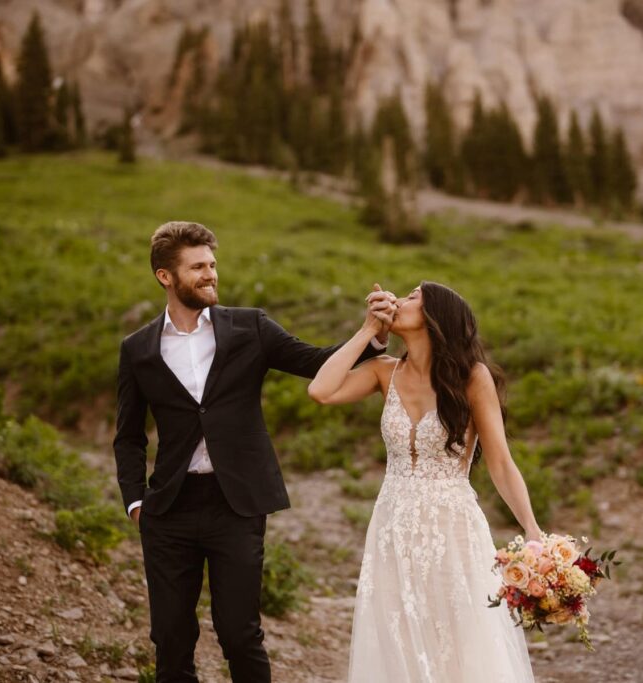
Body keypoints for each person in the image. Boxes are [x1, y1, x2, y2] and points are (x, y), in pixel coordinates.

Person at [112, 221, 388, 683]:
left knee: (240, 633)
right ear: (166, 276)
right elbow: (128, 435)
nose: (210, 275)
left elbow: (316, 361)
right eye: (197, 267)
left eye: (213, 265)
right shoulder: (137, 349)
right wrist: (136, 501)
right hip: (169, 509)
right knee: (171, 638)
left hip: (236, 504)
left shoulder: (250, 327)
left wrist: (370, 334)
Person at [309, 281, 539, 682]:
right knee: (397, 633)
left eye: (413, 297)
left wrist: (532, 529)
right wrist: (367, 331)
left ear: (437, 317)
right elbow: (320, 391)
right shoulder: (383, 371)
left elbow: (501, 462)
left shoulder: (472, 378)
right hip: (392, 526)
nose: (398, 300)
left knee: (456, 637)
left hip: (452, 526)